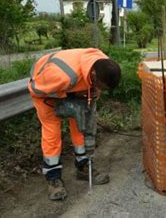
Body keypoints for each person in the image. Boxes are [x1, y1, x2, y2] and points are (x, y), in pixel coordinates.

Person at [28, 48, 121, 201]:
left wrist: (94, 91)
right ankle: (53, 178)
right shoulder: (62, 75)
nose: (100, 90)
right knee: (52, 133)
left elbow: (94, 85)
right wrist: (70, 96)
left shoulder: (102, 63)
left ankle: (83, 166)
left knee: (81, 125)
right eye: (101, 87)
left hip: (73, 86)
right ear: (94, 76)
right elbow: (36, 89)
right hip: (46, 88)